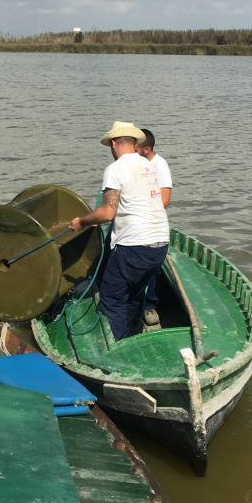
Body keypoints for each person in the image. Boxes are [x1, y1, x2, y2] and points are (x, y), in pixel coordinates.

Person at [69, 121, 169, 341]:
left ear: (114, 144)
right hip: (160, 244)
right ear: (134, 143)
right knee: (134, 296)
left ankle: (120, 350)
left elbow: (107, 213)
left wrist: (82, 221)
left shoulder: (115, 169)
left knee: (112, 299)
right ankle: (134, 337)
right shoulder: (149, 165)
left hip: (134, 246)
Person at [137, 128, 173, 327]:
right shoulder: (135, 165)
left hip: (149, 225)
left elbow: (165, 200)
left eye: (137, 147)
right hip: (133, 225)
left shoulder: (159, 165)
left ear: (147, 149)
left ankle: (148, 306)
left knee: (149, 268)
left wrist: (138, 208)